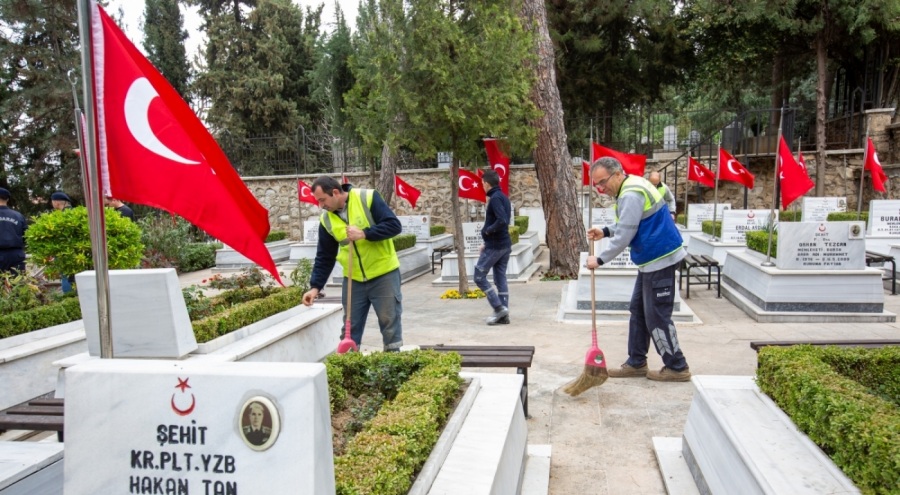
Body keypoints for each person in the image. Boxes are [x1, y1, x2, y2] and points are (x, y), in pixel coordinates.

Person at [586, 157, 691, 382]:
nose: (601, 189)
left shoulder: (630, 194)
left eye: (602, 182)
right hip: (651, 259)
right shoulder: (631, 185)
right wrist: (605, 231)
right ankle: (636, 362)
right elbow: (630, 223)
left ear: (616, 174)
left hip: (659, 257)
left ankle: (677, 366)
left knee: (657, 315)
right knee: (639, 310)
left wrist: (600, 259)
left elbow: (625, 234)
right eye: (597, 185)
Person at [300, 176, 404, 351]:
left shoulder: (367, 197)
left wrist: (364, 233)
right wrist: (315, 287)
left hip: (384, 274)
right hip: (353, 279)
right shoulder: (326, 220)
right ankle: (349, 368)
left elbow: (394, 226)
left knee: (390, 324)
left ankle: (393, 366)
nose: (321, 205)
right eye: (318, 201)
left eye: (322, 200)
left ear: (335, 192)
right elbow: (324, 256)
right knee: (350, 327)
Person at [475, 169, 512, 325]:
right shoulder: (503, 197)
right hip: (503, 245)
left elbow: (502, 220)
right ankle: (504, 315)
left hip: (496, 246)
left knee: (479, 275)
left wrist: (488, 231)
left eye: (482, 183)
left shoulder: (495, 199)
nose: (482, 185)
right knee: (499, 278)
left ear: (487, 183)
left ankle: (498, 308)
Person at [50, 191, 75, 292]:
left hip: (64, 252)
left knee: (66, 277)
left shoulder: (60, 217)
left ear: (57, 202)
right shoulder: (76, 212)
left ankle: (68, 297)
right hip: (77, 252)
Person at [0, 188, 27, 274]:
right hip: (16, 256)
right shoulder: (18, 216)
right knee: (18, 285)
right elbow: (26, 235)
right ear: (7, 199)